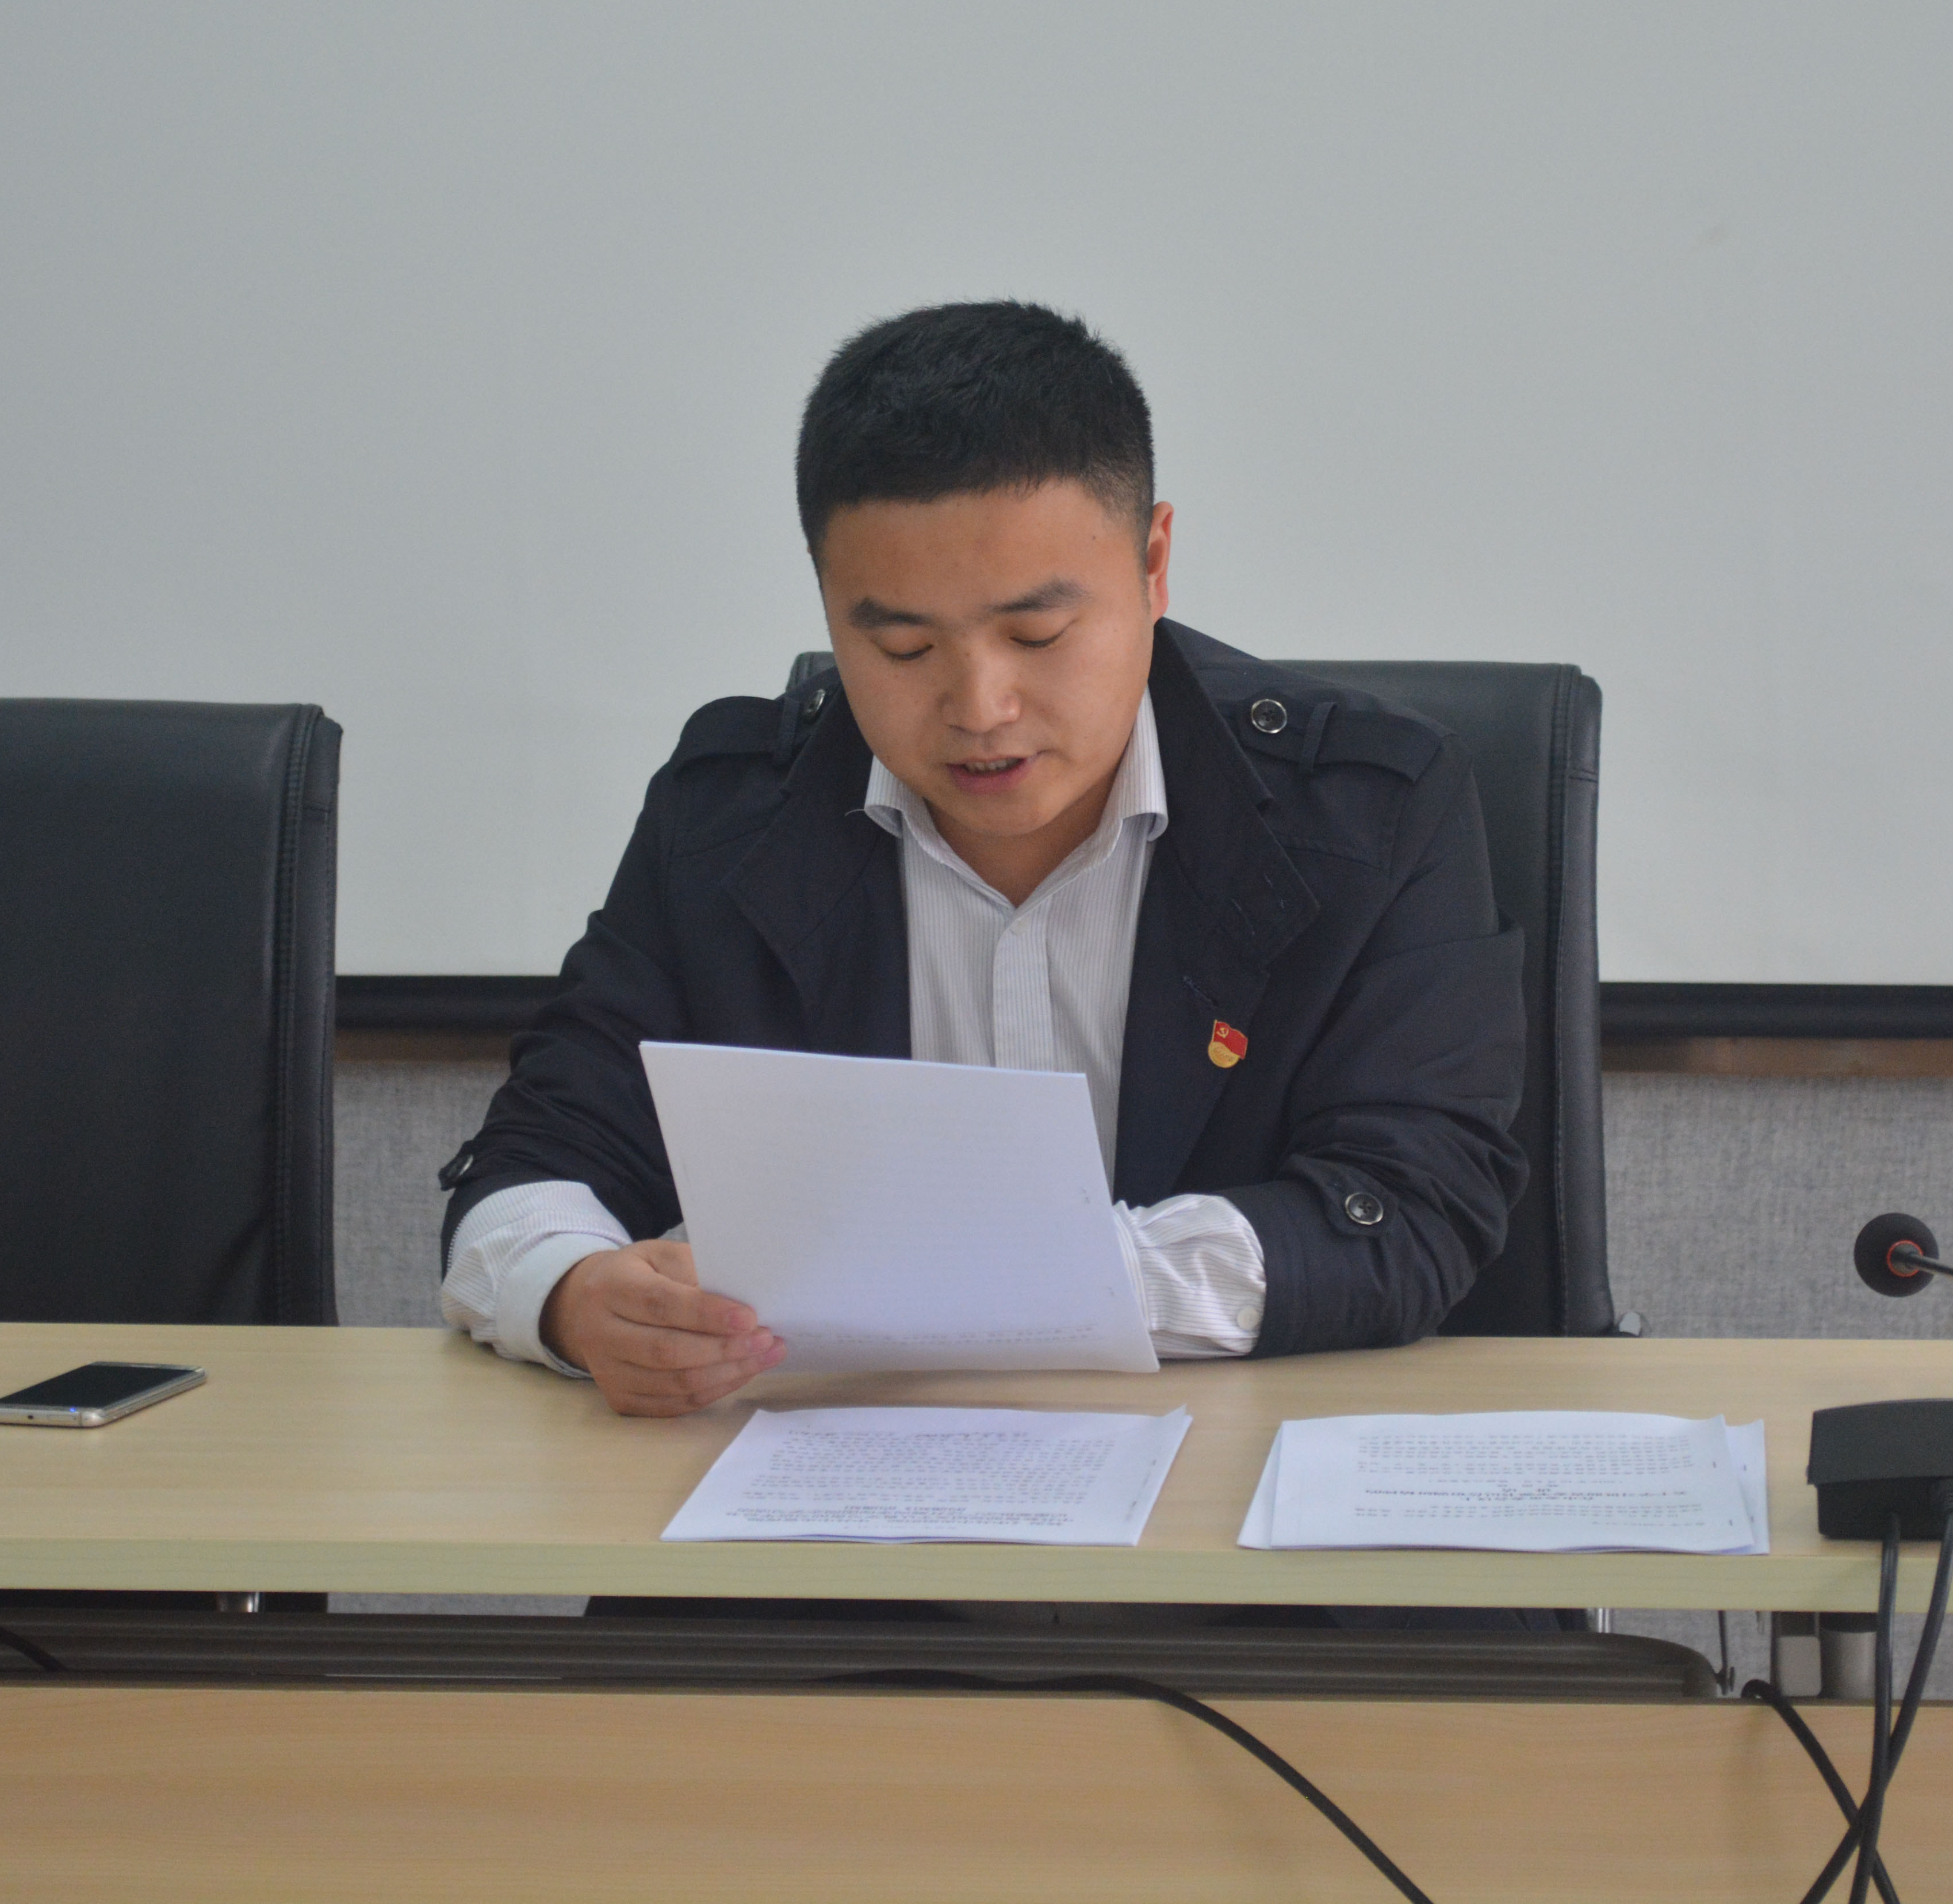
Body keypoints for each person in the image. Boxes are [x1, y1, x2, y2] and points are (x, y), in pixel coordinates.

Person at [438, 301, 1525, 1417]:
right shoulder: (729, 822)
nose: (979, 706)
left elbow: (1412, 1203)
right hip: (833, 1503)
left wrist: (975, 1283)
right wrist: (574, 1293)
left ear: (1154, 564)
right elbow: (535, 1162)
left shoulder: (1366, 814)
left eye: (1037, 635)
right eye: (903, 646)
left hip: (1235, 1485)